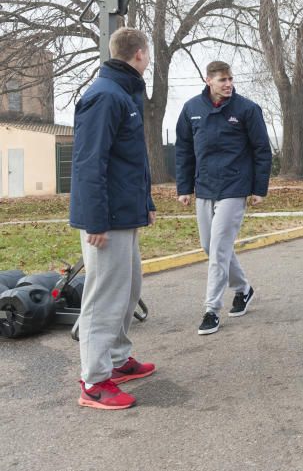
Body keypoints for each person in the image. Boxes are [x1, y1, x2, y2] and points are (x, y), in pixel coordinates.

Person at [69, 28, 157, 410]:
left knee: (129, 287)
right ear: (139, 54)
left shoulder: (124, 93)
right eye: (148, 53)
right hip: (106, 218)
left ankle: (118, 359)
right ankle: (94, 381)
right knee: (103, 297)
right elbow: (90, 162)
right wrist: (95, 221)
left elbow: (130, 158)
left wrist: (146, 200)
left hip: (125, 211)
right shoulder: (105, 96)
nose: (149, 59)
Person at [175, 61, 272, 335]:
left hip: (234, 186)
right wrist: (184, 187)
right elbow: (183, 149)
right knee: (210, 246)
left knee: (218, 249)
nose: (228, 84)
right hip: (204, 187)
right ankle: (243, 288)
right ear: (208, 81)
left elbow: (262, 150)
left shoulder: (247, 109)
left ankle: (211, 309)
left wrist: (258, 188)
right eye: (222, 80)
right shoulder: (192, 109)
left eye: (230, 79)